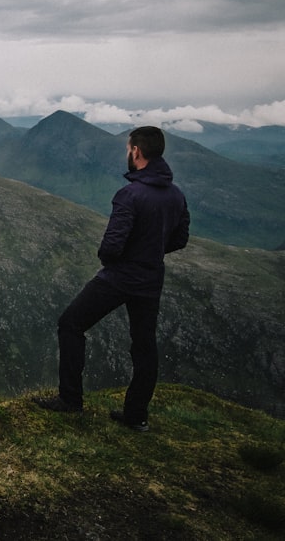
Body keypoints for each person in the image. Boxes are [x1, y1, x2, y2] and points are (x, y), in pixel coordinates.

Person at [35, 125, 190, 431]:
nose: (127, 154)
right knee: (144, 346)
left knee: (71, 324)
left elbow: (111, 247)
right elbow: (180, 239)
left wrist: (117, 261)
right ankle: (136, 417)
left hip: (120, 277)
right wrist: (150, 252)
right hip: (150, 278)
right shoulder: (176, 195)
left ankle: (70, 400)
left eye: (128, 149)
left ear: (137, 151)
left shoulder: (130, 194)